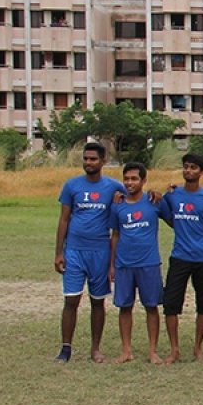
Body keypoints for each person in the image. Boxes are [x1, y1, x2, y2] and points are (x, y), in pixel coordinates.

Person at [55, 141, 123, 363]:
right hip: (74, 251)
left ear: (103, 161)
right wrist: (59, 253)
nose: (88, 163)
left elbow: (134, 198)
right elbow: (64, 219)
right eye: (86, 158)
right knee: (71, 301)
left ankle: (95, 348)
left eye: (93, 159)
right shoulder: (72, 186)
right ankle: (66, 348)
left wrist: (156, 196)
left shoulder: (113, 187)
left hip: (100, 252)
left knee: (97, 301)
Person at [161, 152, 203, 363]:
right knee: (171, 304)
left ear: (201, 172)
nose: (189, 171)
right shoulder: (172, 195)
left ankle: (197, 348)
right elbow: (167, 217)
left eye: (194, 167)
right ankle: (174, 349)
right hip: (180, 256)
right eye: (186, 166)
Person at [108, 162, 165, 365]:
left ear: (143, 181)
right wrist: (112, 264)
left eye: (134, 179)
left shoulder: (154, 201)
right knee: (125, 307)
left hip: (149, 263)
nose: (129, 183)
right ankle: (126, 351)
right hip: (124, 264)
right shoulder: (118, 205)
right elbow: (115, 235)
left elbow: (176, 220)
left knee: (151, 307)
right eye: (126, 179)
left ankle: (152, 351)